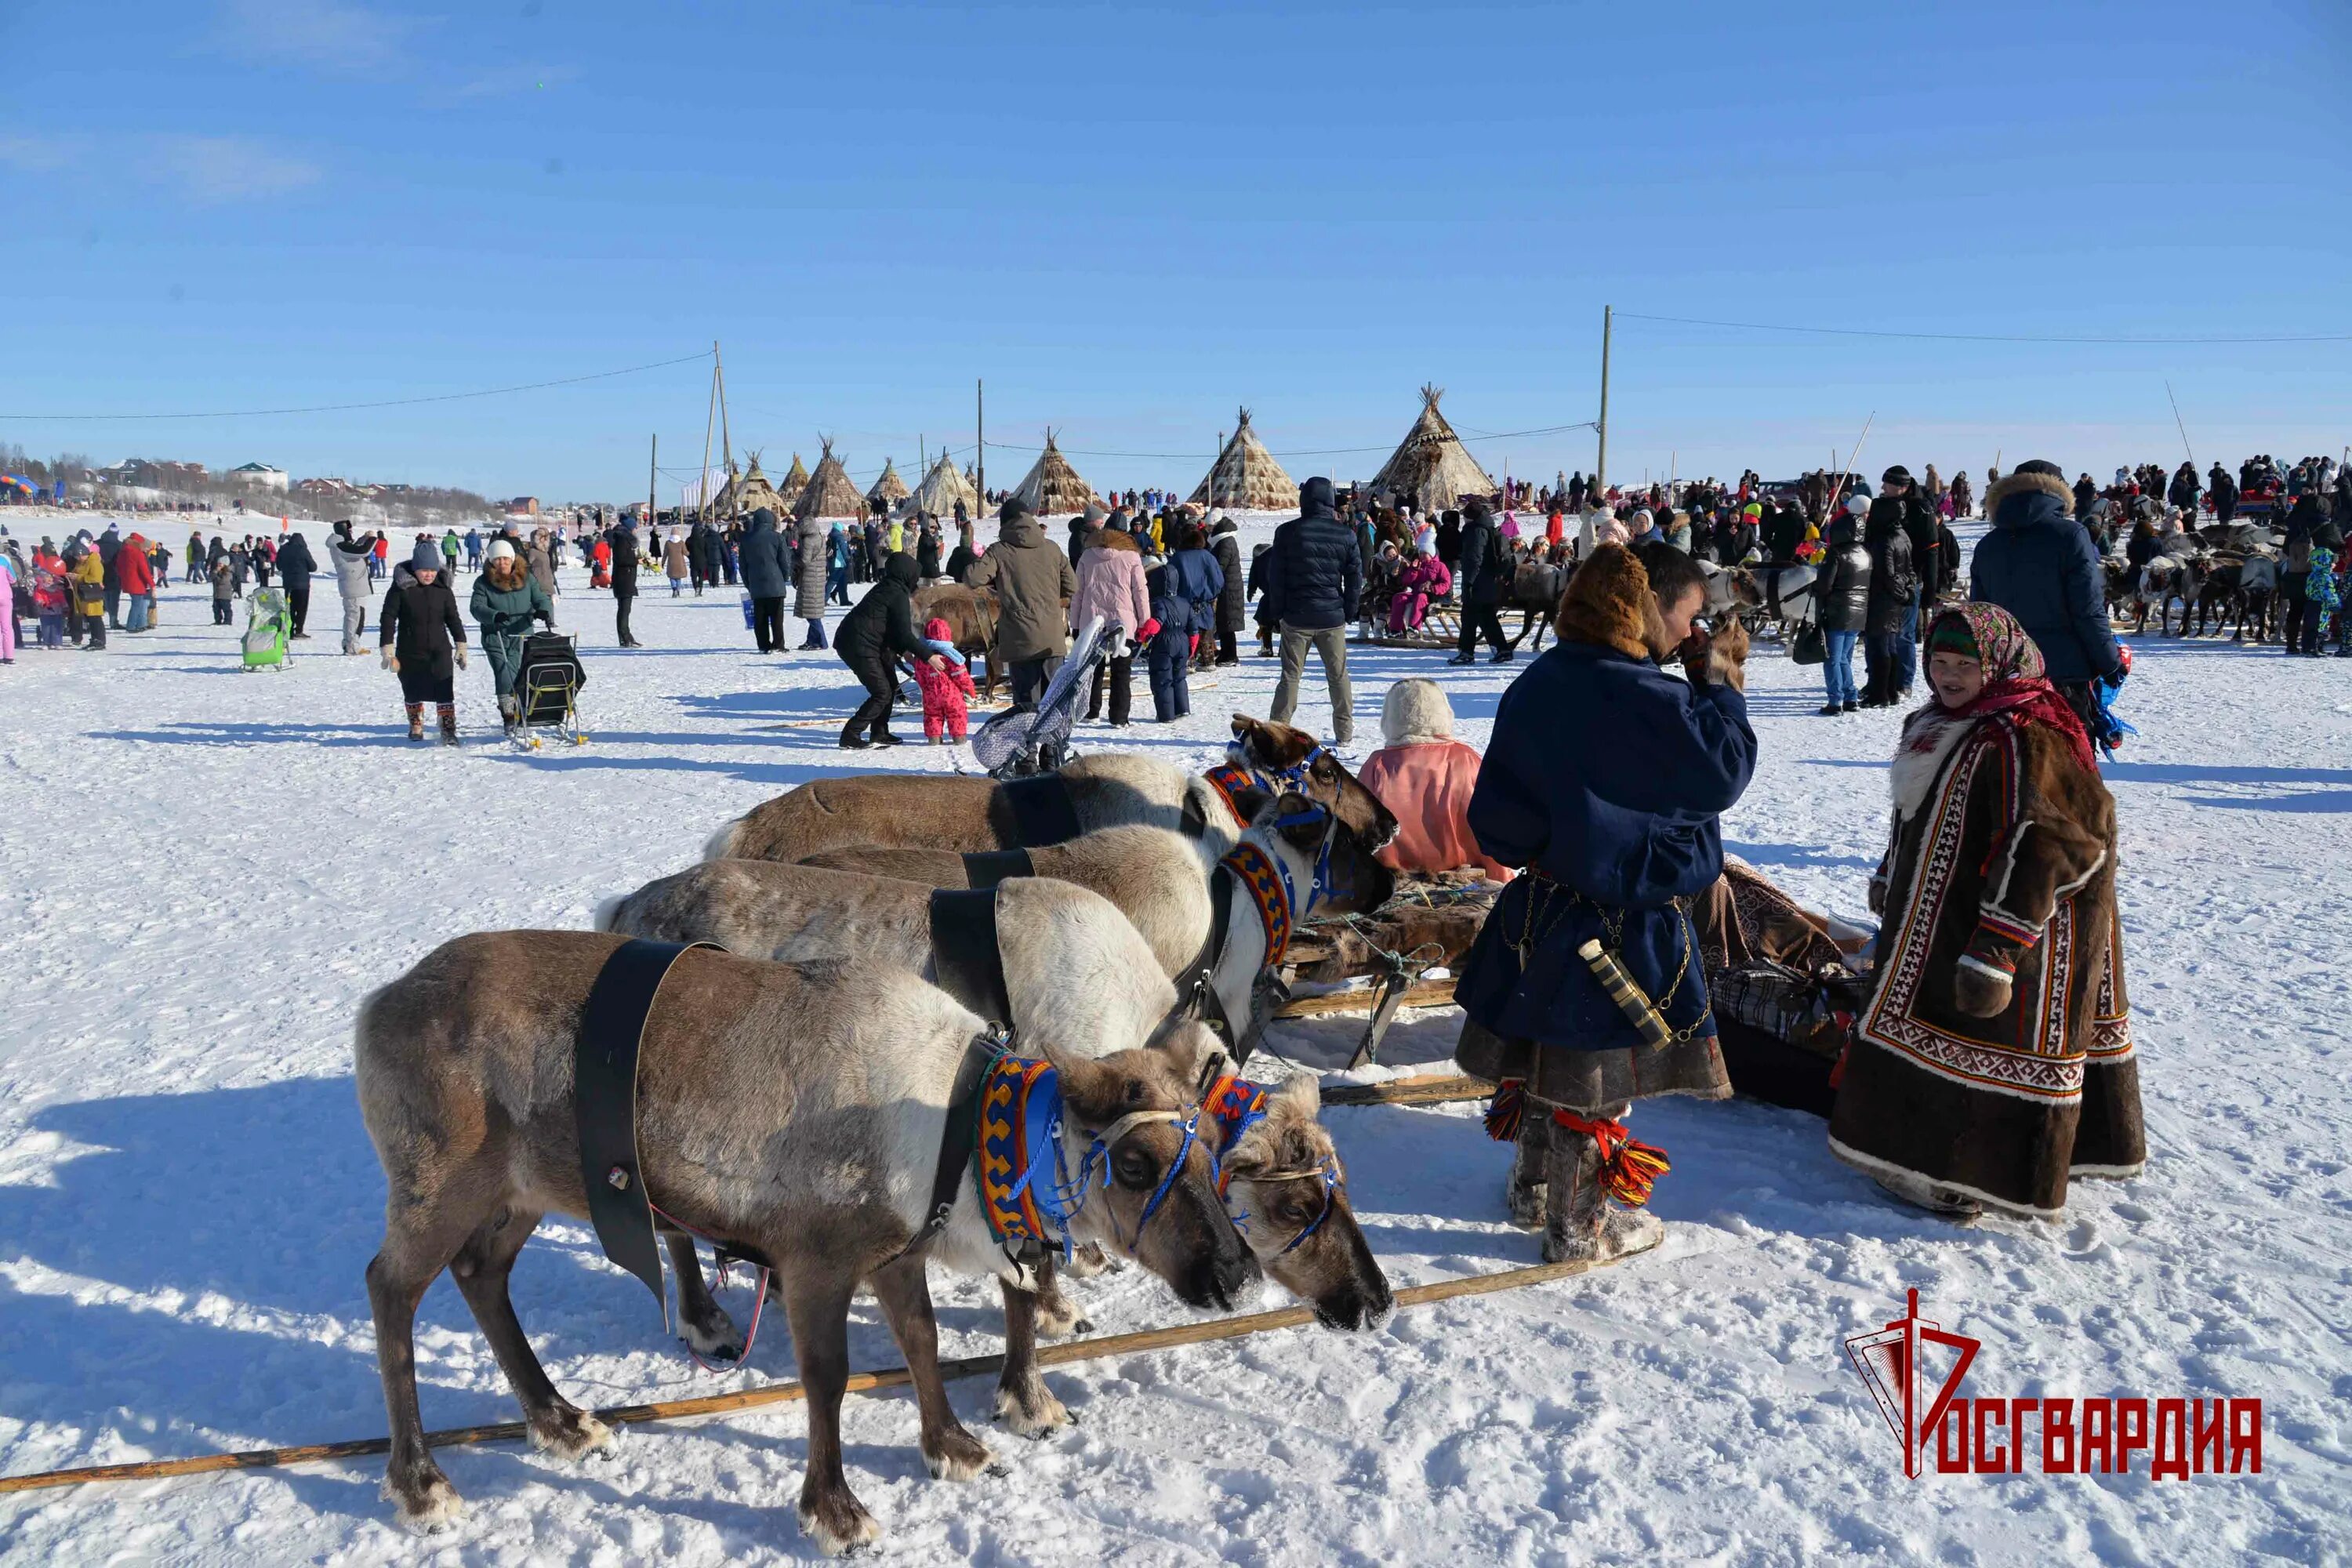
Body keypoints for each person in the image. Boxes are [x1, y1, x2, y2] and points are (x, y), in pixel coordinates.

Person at [1453, 543, 1755, 1262]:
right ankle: (1579, 1228)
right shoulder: (1651, 696)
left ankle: (1531, 1189)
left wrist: (1562, 839)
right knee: (1594, 1081)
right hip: (1621, 922)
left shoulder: (1538, 680)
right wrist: (1720, 682)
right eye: (1687, 617)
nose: (1691, 634)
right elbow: (1723, 773)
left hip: (1542, 908)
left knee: (1543, 1058)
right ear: (1650, 612)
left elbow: (1497, 820)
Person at [1828, 604, 2143, 1217]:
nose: (1947, 676)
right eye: (1939, 663)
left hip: (2013, 933)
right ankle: (1926, 1162)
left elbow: (2061, 843)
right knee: (1937, 1030)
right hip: (1939, 920)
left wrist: (1999, 945)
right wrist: (1891, 874)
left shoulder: (2030, 734)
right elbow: (1914, 815)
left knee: (1990, 1039)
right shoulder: (1939, 723)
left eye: (1963, 666)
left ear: (1997, 664)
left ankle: (1977, 1179)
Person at [1968, 461, 2127, 743]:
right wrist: (2109, 662)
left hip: (2007, 677)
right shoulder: (2071, 536)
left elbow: (1981, 619)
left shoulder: (1988, 545)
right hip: (2064, 674)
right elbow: (2088, 609)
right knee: (2071, 771)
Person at [1356, 679, 1512, 881]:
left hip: (1392, 887)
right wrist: (1502, 880)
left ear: (1390, 717)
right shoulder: (1465, 760)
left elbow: (1357, 834)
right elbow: (1491, 829)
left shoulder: (1376, 767)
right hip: (1465, 887)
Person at [1262, 476, 1361, 746]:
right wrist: (1349, 610)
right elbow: (1355, 578)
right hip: (1332, 616)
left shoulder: (1287, 532)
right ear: (1330, 501)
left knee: (1290, 676)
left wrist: (1277, 611)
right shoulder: (1346, 534)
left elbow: (1277, 576)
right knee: (1338, 676)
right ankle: (1344, 733)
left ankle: (1277, 732)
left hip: (1295, 616)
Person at [969, 498, 1076, 710]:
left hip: (1020, 639)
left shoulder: (999, 551)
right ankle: (1054, 743)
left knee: (1026, 706)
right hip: (1052, 638)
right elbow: (1072, 587)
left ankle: (1027, 743)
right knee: (1054, 703)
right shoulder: (1052, 548)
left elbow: (973, 579)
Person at [835, 553, 938, 748]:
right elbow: (905, 635)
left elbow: (891, 629)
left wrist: (906, 653)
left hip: (868, 642)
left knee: (891, 686)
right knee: (881, 692)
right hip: (857, 645)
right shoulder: (896, 593)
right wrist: (929, 656)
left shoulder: (890, 588)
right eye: (914, 575)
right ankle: (851, 734)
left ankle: (880, 732)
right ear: (907, 574)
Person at [382, 541, 470, 743]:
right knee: (412, 688)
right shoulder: (401, 588)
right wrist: (387, 646)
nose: (429, 575)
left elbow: (453, 618)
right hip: (409, 649)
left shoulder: (443, 589)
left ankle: (448, 729)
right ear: (415, 569)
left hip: (439, 648)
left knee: (444, 688)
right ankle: (415, 723)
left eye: (432, 570)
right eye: (424, 570)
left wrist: (461, 644)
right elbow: (388, 617)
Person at [1069, 513, 1150, 725]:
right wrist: (1145, 621)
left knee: (1092, 669)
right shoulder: (1132, 558)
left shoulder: (1087, 556)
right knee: (1121, 671)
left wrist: (1075, 624)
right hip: (1123, 621)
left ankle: (1091, 712)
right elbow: (1140, 591)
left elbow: (1078, 593)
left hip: (1091, 620)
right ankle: (1119, 717)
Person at [470, 539, 554, 732]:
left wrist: (543, 610)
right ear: (491, 561)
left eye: (505, 559)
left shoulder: (527, 578)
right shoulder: (483, 582)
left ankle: (525, 708)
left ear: (512, 558)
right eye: (497, 559)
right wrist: (493, 615)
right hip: (496, 635)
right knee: (505, 672)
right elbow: (477, 607)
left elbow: (541, 597)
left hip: (522, 634)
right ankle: (508, 714)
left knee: (521, 672)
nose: (502, 563)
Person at [1148, 522, 1223, 722]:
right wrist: (1210, 595)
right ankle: (1207, 660)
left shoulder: (1178, 558)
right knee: (1203, 634)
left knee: (1184, 638)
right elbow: (1218, 581)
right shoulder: (1209, 557)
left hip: (1180, 607)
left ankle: (1188, 663)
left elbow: (1171, 580)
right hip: (1204, 604)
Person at [1860, 494, 1917, 707]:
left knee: (1879, 646)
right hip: (1895, 598)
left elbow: (1886, 573)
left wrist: (1901, 593)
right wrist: (1907, 593)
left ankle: (1880, 693)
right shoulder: (1903, 535)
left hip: (1882, 598)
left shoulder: (1884, 539)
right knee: (1890, 644)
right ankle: (1890, 690)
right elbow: (1909, 569)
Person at [1815, 508, 1870, 714]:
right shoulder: (1865, 554)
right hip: (1859, 612)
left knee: (1832, 658)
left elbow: (1824, 585)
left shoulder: (1836, 553)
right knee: (1845, 658)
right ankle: (1851, 697)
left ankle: (1835, 701)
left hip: (1838, 611)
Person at [1448, 496, 1512, 665]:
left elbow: (1474, 559)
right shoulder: (1489, 527)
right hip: (1489, 581)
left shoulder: (1475, 530)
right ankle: (1502, 649)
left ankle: (1466, 652)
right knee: (1487, 616)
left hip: (1477, 581)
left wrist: (1468, 581)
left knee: (1469, 617)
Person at [912, 615, 978, 744]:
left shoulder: (923, 657)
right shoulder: (951, 656)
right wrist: (969, 688)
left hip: (931, 694)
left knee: (932, 715)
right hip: (952, 695)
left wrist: (925, 688)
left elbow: (919, 675)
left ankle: (934, 738)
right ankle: (959, 737)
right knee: (957, 714)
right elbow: (961, 674)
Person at [738, 507, 792, 652]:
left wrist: (748, 584)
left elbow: (742, 565)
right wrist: (785, 577)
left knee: (760, 618)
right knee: (777, 618)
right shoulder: (777, 537)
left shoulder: (747, 539)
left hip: (756, 584)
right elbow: (784, 561)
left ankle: (763, 645)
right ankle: (778, 645)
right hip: (776, 584)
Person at [326, 522, 377, 654]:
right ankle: (352, 646)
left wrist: (364, 538)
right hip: (353, 586)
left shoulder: (340, 544)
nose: (351, 533)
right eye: (349, 531)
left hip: (355, 586)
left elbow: (354, 547)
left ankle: (350, 643)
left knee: (355, 616)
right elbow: (362, 551)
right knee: (355, 617)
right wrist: (372, 538)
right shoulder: (340, 546)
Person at [1210, 514, 1246, 664]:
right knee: (1225, 621)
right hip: (1228, 587)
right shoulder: (1224, 541)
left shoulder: (1226, 543)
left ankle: (1231, 655)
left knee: (1228, 622)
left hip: (1229, 589)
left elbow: (1220, 566)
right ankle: (1226, 652)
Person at [793, 508, 830, 648]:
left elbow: (805, 560)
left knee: (812, 614)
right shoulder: (819, 536)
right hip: (818, 576)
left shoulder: (808, 540)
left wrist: (794, 557)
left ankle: (822, 641)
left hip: (810, 577)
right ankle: (812, 640)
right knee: (812, 610)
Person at [605, 514, 642, 647]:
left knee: (626, 609)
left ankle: (627, 637)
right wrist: (636, 561)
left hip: (626, 578)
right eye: (634, 527)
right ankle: (625, 638)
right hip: (623, 579)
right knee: (624, 609)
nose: (636, 530)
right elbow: (621, 559)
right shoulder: (622, 540)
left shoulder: (625, 540)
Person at [277, 531, 316, 638]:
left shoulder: (283, 550)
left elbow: (279, 566)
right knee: (302, 608)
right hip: (302, 585)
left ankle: (289, 629)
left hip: (288, 584)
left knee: (290, 608)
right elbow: (313, 567)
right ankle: (298, 630)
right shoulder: (303, 550)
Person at [118, 533, 155, 633]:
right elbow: (144, 571)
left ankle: (137, 624)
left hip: (127, 581)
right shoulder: (137, 553)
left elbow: (118, 567)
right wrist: (152, 584)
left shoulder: (124, 551)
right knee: (136, 605)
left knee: (136, 604)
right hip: (137, 583)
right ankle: (131, 626)